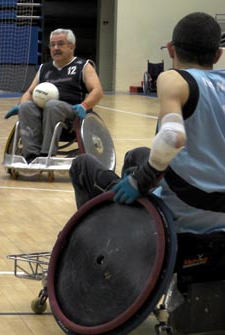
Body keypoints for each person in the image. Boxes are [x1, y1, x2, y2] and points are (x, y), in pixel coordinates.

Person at [69, 12, 225, 235]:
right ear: (218, 55)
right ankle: (126, 226)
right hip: (220, 212)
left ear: (171, 49)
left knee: (82, 165)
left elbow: (172, 136)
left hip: (183, 216)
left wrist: (141, 181)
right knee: (136, 155)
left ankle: (100, 243)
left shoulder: (174, 79)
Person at [5, 29, 103, 163]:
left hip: (72, 114)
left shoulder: (83, 66)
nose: (55, 48)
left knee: (52, 105)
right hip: (45, 112)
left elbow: (97, 90)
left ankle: (46, 154)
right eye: (52, 44)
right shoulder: (44, 68)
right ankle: (31, 156)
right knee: (27, 106)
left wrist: (84, 106)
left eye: (60, 44)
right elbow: (29, 92)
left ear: (71, 46)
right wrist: (20, 106)